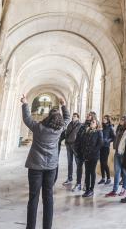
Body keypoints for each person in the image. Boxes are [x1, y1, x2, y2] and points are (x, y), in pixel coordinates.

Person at [20, 95, 70, 229]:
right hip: (51, 167)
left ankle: (30, 227)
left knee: (33, 198)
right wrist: (64, 105)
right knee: (48, 198)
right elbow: (67, 119)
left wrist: (25, 103)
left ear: (48, 117)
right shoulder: (59, 129)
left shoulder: (39, 128)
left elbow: (27, 119)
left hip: (36, 165)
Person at [72, 112, 97, 192]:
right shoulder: (82, 125)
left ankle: (86, 184)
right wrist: (76, 147)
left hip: (88, 152)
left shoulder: (94, 127)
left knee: (88, 170)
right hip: (80, 150)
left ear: (93, 117)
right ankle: (78, 184)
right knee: (79, 167)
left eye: (89, 115)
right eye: (87, 114)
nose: (87, 115)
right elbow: (78, 136)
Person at [78, 117, 103, 197]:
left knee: (92, 172)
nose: (91, 123)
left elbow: (100, 144)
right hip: (86, 155)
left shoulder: (99, 132)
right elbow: (83, 142)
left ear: (96, 124)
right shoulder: (87, 131)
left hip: (94, 156)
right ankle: (87, 189)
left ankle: (91, 189)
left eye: (93, 122)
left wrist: (92, 152)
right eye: (91, 122)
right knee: (87, 172)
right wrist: (83, 152)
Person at [105, 115, 126, 197]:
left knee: (124, 173)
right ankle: (114, 191)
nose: (121, 121)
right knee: (117, 172)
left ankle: (124, 189)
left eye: (123, 119)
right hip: (117, 153)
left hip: (124, 154)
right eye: (120, 119)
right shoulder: (119, 128)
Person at [62, 113, 81, 185]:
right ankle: (69, 178)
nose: (73, 117)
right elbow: (66, 132)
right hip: (68, 145)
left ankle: (78, 180)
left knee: (78, 163)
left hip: (75, 145)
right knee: (69, 162)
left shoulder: (80, 125)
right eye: (73, 116)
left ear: (78, 118)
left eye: (75, 116)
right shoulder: (69, 124)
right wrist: (66, 141)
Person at [98, 115, 115, 185]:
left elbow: (113, 137)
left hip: (106, 147)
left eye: (105, 119)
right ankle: (103, 178)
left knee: (104, 163)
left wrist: (107, 141)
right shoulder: (101, 126)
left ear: (108, 120)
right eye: (103, 118)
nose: (103, 120)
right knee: (101, 163)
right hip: (100, 147)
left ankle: (108, 178)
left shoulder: (110, 127)